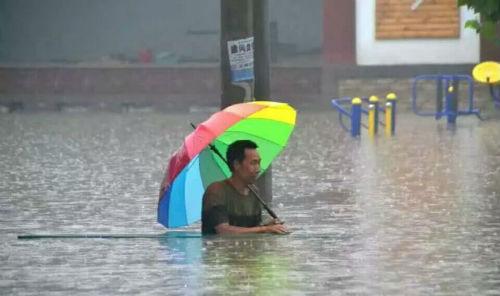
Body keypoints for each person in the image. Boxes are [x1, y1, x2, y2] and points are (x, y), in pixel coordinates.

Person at [201, 140, 288, 235]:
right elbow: (223, 231)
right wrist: (265, 229)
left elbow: (252, 229)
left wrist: (268, 226)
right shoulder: (216, 191)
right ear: (237, 165)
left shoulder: (254, 191)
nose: (258, 169)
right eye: (253, 163)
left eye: (259, 163)